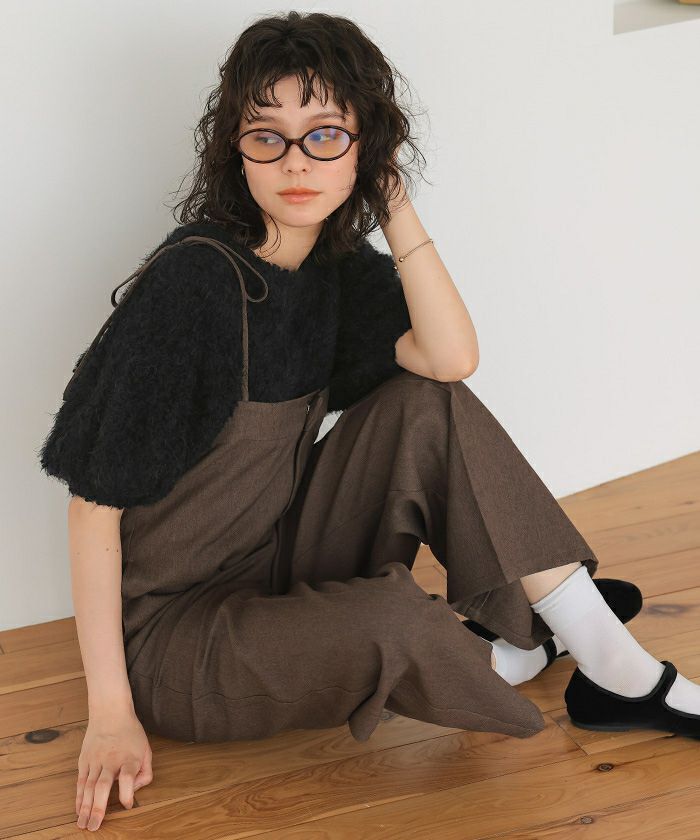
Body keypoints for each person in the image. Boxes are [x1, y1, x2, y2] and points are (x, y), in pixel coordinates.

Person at [37, 11, 700, 833]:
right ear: (235, 150)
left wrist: (395, 205)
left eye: (325, 135)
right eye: (267, 137)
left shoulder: (333, 269)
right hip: (179, 639)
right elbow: (92, 506)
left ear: (366, 146)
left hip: (280, 554)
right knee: (393, 618)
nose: (295, 162)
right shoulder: (194, 285)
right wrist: (109, 712)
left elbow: (450, 359)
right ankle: (524, 647)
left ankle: (610, 662)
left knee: (426, 402)